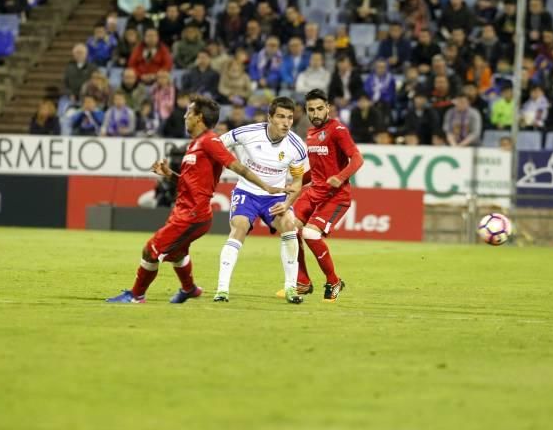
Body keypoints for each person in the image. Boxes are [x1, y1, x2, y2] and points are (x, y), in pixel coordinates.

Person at [106, 95, 289, 304]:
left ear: (199, 118)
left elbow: (236, 166)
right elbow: (190, 182)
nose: (185, 116)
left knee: (150, 250)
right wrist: (170, 174)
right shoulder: (196, 145)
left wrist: (265, 186)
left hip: (193, 214)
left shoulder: (211, 141)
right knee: (176, 253)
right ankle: (189, 288)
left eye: (189, 112)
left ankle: (136, 295)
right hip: (184, 210)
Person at [213, 97, 307, 304]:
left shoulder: (297, 146)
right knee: (239, 227)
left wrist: (288, 203)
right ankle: (222, 289)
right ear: (270, 118)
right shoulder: (248, 132)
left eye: (290, 118)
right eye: (281, 117)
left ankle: (291, 288)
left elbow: (298, 182)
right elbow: (217, 145)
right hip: (247, 193)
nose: (286, 122)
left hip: (275, 197)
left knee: (290, 226)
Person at [272, 88, 364, 302]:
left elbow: (357, 159)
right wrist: (293, 184)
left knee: (311, 234)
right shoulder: (311, 134)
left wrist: (340, 177)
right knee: (288, 226)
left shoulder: (338, 129)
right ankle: (302, 282)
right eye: (311, 109)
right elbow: (316, 171)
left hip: (336, 196)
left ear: (328, 108)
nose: (315, 113)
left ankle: (334, 281)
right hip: (314, 192)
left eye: (320, 109)